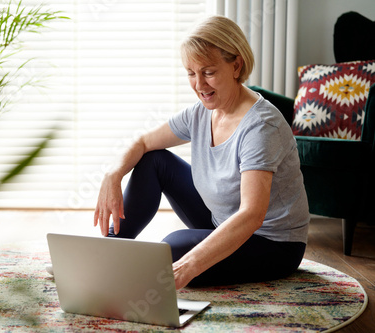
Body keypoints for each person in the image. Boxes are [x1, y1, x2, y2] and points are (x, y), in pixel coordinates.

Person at [93, 15, 310, 289]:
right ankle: (108, 252)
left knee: (171, 250)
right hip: (221, 219)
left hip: (272, 244)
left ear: (236, 65)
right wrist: (112, 175)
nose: (199, 85)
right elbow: (144, 143)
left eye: (208, 72)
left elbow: (252, 214)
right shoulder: (200, 113)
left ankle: (161, 264)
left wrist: (190, 265)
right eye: (191, 73)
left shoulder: (261, 126)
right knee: (154, 160)